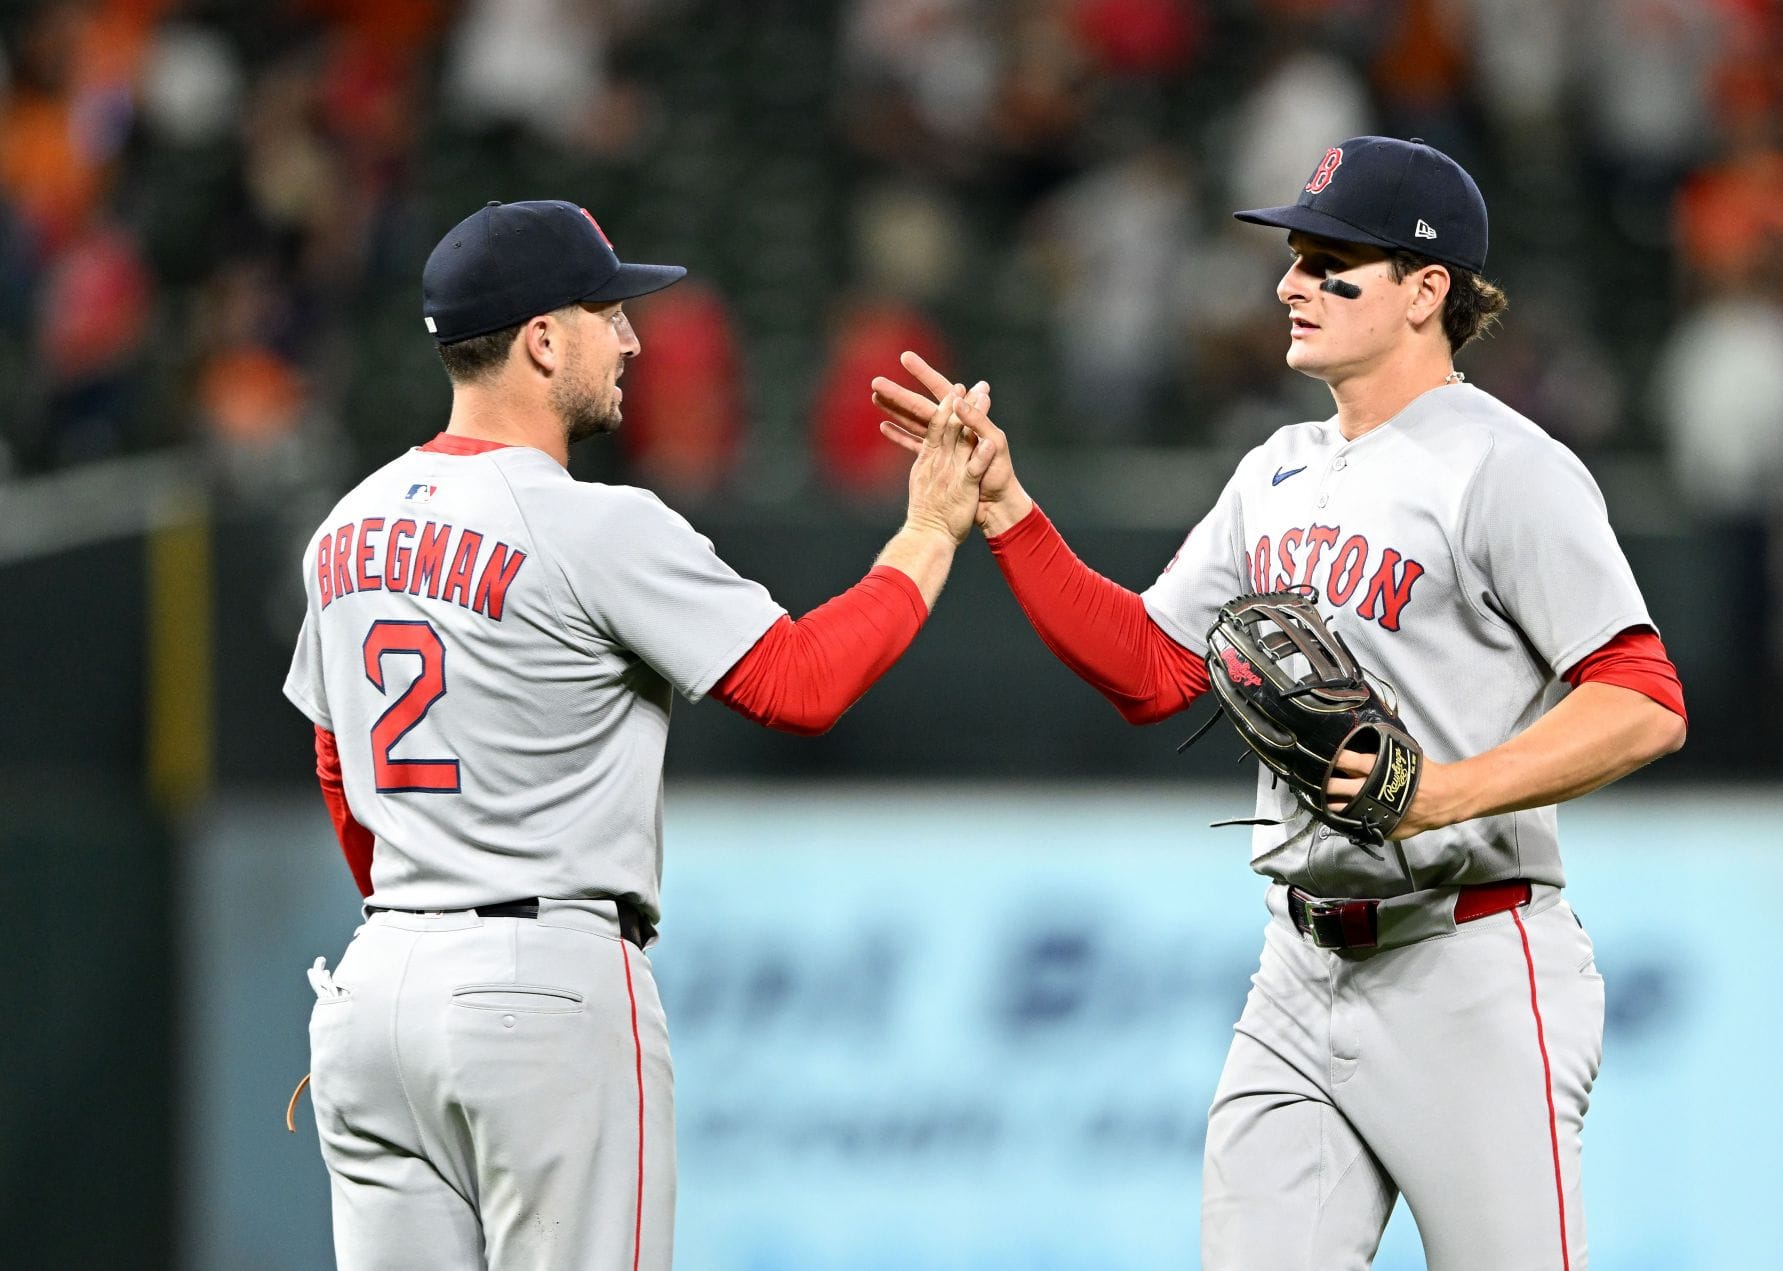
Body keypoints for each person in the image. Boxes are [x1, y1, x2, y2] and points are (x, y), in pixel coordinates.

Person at [873, 137, 1687, 1270]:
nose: (1290, 286)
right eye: (1296, 259)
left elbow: (1645, 698)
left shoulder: (1506, 466)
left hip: (1470, 962)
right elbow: (1152, 670)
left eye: (1329, 265)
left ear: (1426, 289)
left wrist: (1442, 791)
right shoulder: (1277, 467)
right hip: (1299, 970)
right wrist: (1009, 509)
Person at [282, 198, 988, 1271]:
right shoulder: (590, 523)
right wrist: (930, 528)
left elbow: (339, 767)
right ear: (542, 339)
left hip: (373, 993)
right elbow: (801, 682)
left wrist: (417, 921)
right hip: (538, 986)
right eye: (607, 313)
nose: (632, 340)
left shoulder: (345, 526)